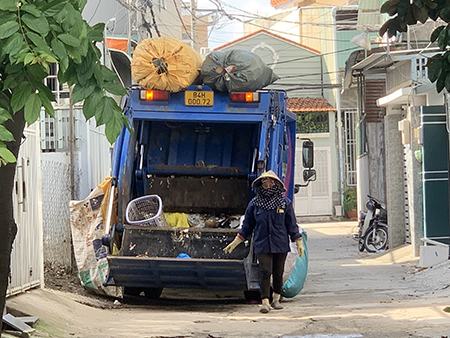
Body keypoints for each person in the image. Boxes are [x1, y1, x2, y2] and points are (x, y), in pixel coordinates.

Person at [223, 170, 304, 313]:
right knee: (265, 271)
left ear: (276, 184)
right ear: (261, 184)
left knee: (278, 272)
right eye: (265, 181)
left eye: (270, 181)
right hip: (262, 243)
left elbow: (291, 224)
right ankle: (265, 301)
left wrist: (298, 241)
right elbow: (247, 226)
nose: (268, 183)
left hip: (280, 244)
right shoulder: (255, 204)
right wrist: (236, 242)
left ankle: (276, 299)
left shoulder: (284, 203)